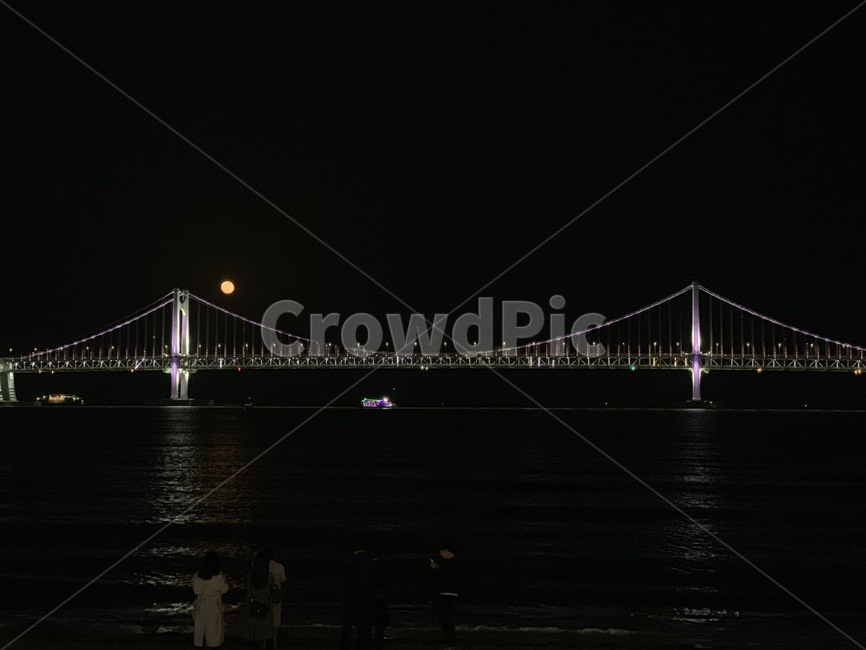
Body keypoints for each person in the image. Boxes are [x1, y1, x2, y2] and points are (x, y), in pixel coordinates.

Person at [192, 550, 229, 648]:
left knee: (200, 631)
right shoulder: (217, 576)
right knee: (214, 633)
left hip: (201, 605)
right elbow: (225, 589)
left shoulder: (198, 575)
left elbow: (196, 590)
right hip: (213, 605)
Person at [341, 535, 372, 650]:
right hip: (363, 599)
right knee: (363, 628)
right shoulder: (367, 559)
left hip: (351, 598)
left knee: (347, 628)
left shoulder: (351, 560)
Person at [429, 542, 460, 650]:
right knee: (445, 619)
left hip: (448, 593)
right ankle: (449, 641)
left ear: (447, 551)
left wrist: (437, 569)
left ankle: (451, 642)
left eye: (442, 551)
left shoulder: (453, 564)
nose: (440, 553)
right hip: (445, 593)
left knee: (446, 619)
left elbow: (447, 576)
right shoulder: (451, 563)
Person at [244, 549, 275, 649]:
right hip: (266, 606)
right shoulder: (269, 577)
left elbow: (248, 593)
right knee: (268, 632)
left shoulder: (250, 577)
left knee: (256, 634)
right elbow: (271, 591)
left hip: (255, 605)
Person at [263, 545, 287, 646]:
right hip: (276, 594)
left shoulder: (263, 566)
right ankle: (274, 642)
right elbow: (283, 579)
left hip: (265, 594)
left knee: (265, 618)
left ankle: (264, 642)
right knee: (276, 619)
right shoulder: (279, 566)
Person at [368, 543, 390, 650]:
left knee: (368, 624)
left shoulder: (369, 566)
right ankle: (379, 644)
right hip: (380, 598)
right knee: (379, 627)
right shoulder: (383, 565)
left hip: (371, 598)